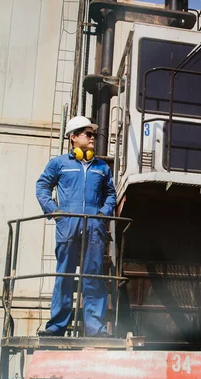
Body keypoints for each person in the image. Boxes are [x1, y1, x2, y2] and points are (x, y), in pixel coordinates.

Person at [35, 116, 116, 337]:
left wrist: (102, 215)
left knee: (94, 276)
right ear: (73, 138)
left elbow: (111, 194)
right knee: (64, 274)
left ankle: (95, 328)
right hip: (67, 224)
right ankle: (56, 326)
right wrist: (55, 212)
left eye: (93, 135)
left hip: (94, 226)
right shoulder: (59, 164)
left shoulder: (101, 167)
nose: (93, 138)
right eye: (88, 134)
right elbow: (42, 186)